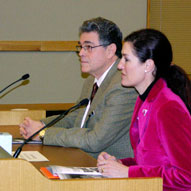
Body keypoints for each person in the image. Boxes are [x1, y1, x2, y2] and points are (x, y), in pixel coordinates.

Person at [19, 17, 138, 159]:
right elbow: (74, 118)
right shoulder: (91, 81)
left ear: (110, 50)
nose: (81, 53)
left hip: (110, 170)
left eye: (88, 47)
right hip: (81, 158)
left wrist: (43, 134)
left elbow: (96, 140)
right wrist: (39, 125)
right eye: (81, 47)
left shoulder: (122, 87)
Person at [97, 28, 191, 190]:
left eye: (126, 59)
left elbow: (186, 177)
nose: (119, 66)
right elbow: (151, 162)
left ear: (148, 65)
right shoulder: (145, 100)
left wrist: (128, 173)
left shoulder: (168, 107)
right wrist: (119, 164)